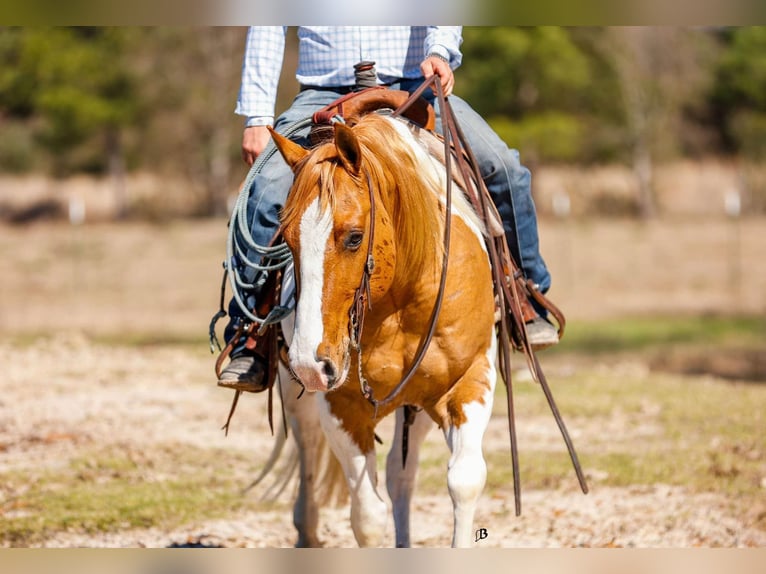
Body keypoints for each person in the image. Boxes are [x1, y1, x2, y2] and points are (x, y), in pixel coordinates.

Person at [218, 26, 558, 393]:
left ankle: (525, 292)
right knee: (265, 191)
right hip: (322, 97)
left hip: (412, 87)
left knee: (503, 169)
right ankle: (250, 332)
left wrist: (440, 52)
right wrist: (256, 117)